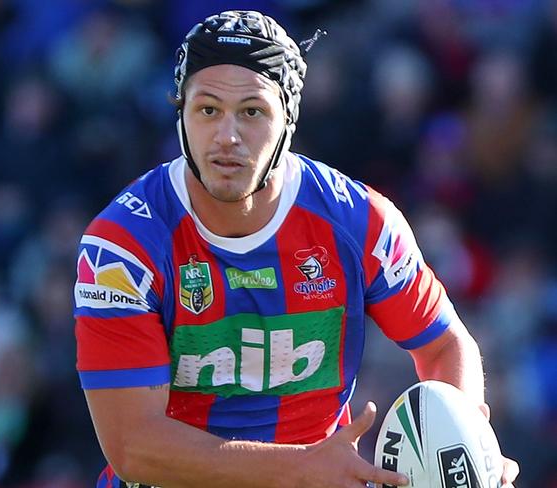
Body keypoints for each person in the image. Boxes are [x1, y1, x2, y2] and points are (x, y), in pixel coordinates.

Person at [73, 10, 519, 488]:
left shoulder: (360, 221)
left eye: (252, 111)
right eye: (207, 109)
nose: (227, 135)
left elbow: (445, 344)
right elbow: (133, 446)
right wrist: (297, 469)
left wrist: (468, 441)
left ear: (288, 118)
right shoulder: (122, 245)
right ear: (180, 112)